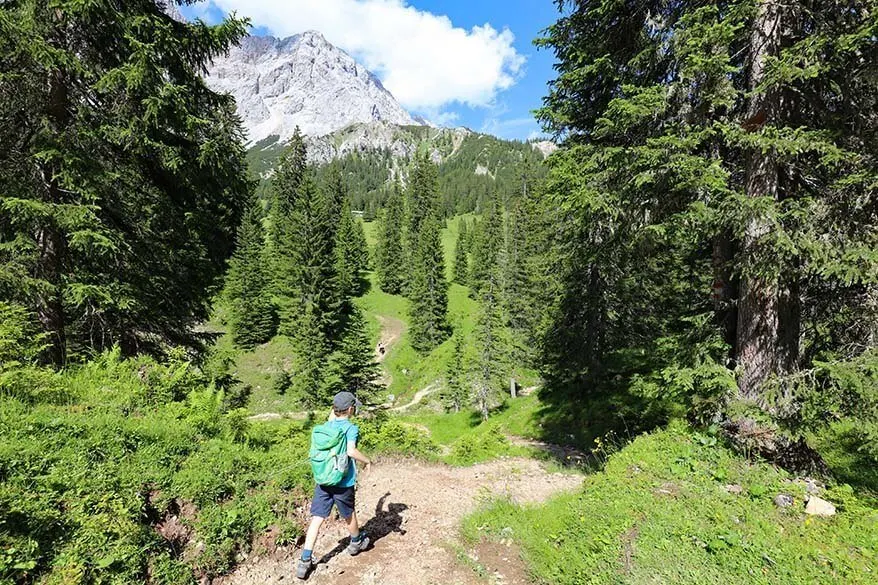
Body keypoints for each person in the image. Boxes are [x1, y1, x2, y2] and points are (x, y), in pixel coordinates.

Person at [297, 391, 373, 580]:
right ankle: (356, 542)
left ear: (334, 409)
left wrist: (334, 414)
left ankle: (305, 560)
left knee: (317, 518)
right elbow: (350, 450)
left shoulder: (325, 427)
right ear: (350, 409)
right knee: (349, 514)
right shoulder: (351, 428)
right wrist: (368, 461)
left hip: (323, 480)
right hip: (343, 482)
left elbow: (333, 417)